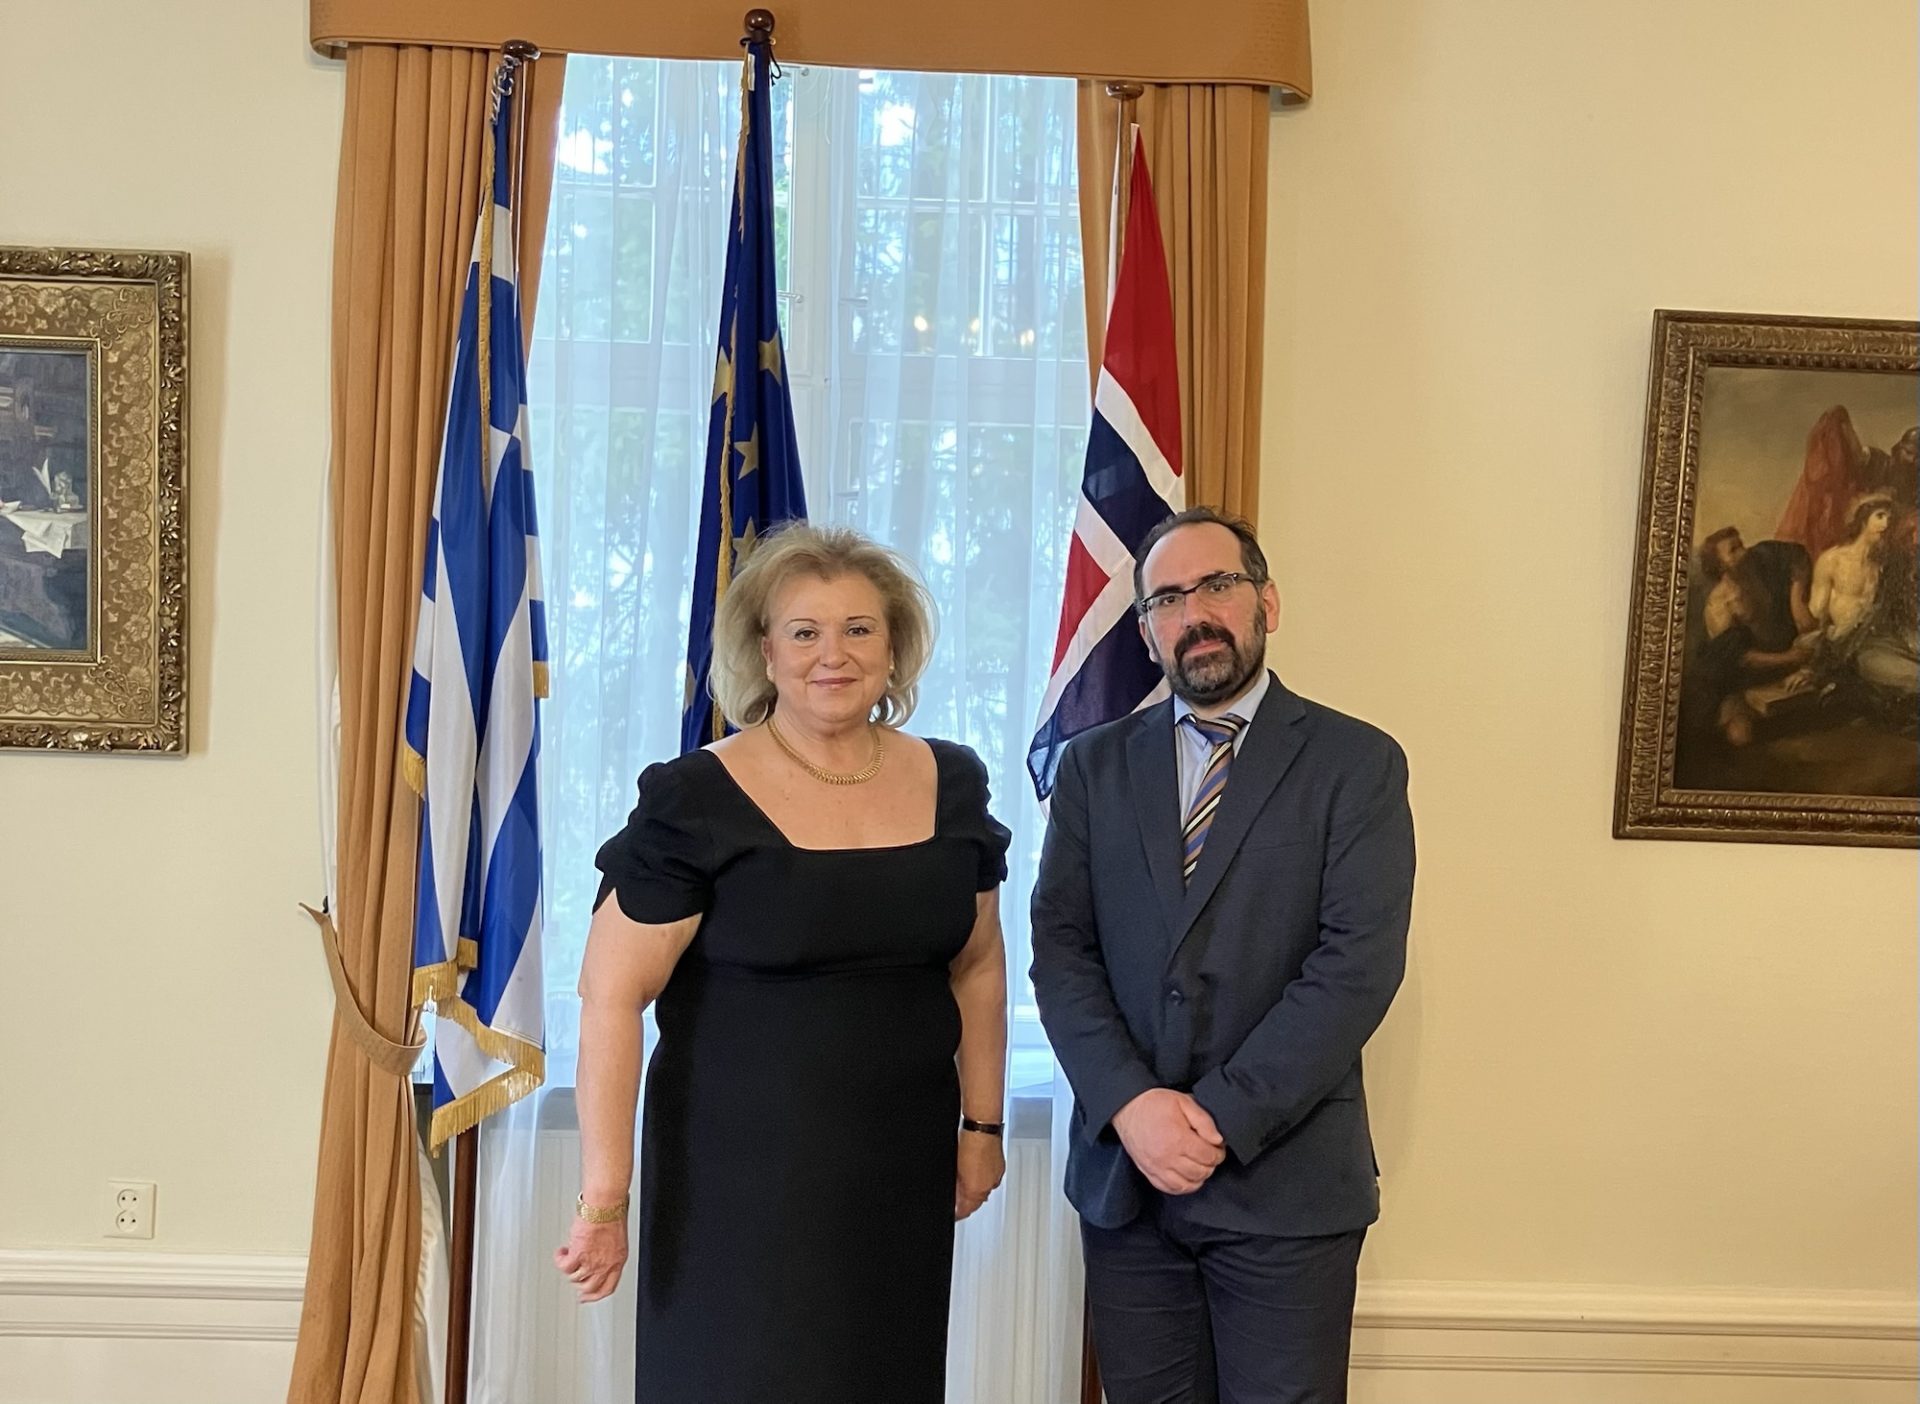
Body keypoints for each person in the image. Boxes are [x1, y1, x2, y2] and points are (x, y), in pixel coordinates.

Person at [556, 524, 1012, 1403]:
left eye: (858, 629)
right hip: (734, 1188)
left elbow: (979, 964)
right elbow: (609, 995)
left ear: (894, 647)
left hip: (898, 1176)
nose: (832, 655)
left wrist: (982, 1130)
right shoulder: (694, 797)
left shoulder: (953, 783)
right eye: (805, 632)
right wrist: (604, 1199)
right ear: (766, 652)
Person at [1032, 507, 1415, 1404]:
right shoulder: (1090, 768)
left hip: (1285, 1185)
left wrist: (1216, 1118)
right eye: (1167, 598)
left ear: (1266, 603)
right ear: (1145, 630)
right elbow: (1062, 950)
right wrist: (1134, 1106)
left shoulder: (1357, 763)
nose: (1194, 613)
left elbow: (1356, 964)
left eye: (1217, 585)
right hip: (1130, 1186)